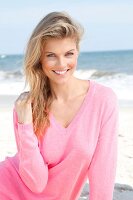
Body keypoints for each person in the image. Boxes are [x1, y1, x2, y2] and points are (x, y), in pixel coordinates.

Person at [0, 11, 119, 200]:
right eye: (51, 55)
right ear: (40, 58)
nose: (62, 63)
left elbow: (103, 171)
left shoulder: (103, 100)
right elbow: (36, 183)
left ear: (77, 52)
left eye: (69, 54)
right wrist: (25, 125)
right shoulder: (26, 107)